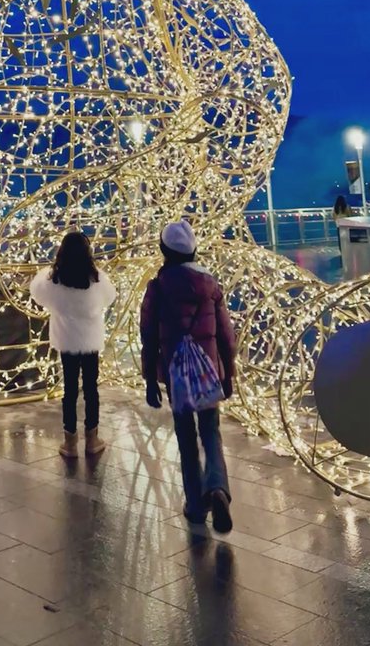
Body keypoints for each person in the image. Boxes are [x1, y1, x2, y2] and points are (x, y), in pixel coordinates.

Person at [140, 220, 236, 533]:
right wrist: (228, 373)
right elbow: (225, 333)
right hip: (208, 367)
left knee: (185, 437)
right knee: (211, 431)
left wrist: (150, 379)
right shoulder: (210, 285)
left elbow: (149, 336)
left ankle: (195, 506)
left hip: (176, 370)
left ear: (163, 251)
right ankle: (218, 489)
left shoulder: (157, 287)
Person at [30, 230, 116, 458]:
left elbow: (36, 290)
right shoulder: (97, 280)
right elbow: (110, 296)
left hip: (67, 340)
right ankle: (92, 438)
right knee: (91, 388)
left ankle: (70, 442)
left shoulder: (53, 282)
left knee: (69, 390)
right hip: (90, 341)